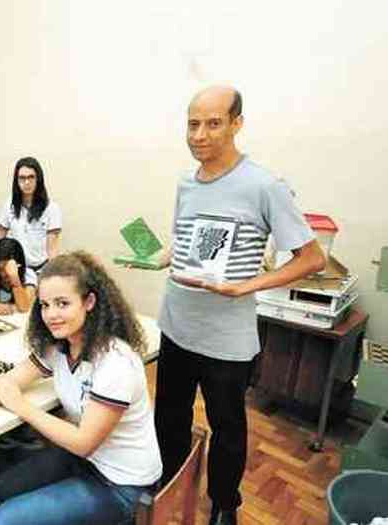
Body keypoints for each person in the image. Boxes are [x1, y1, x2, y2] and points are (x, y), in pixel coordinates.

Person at [154, 86, 325, 525]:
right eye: (193, 124)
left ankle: (225, 504)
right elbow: (187, 239)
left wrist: (250, 284)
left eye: (213, 123)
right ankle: (170, 483)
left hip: (226, 338)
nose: (200, 134)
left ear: (237, 124)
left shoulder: (264, 185)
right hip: (176, 323)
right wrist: (161, 255)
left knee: (227, 428)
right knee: (169, 416)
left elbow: (312, 258)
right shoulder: (186, 183)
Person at [0, 251, 162, 525]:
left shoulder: (115, 363)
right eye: (44, 305)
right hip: (86, 462)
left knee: (5, 520)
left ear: (89, 302)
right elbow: (5, 384)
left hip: (121, 485)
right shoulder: (59, 345)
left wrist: (21, 407)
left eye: (62, 303)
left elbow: (83, 442)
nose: (51, 315)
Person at [0, 157, 61, 271]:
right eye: (22, 178)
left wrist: (52, 274)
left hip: (41, 269)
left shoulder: (51, 208)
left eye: (31, 177)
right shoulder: (9, 205)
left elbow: (52, 249)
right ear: (16, 180)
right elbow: (0, 238)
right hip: (16, 269)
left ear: (38, 179)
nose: (26, 182)